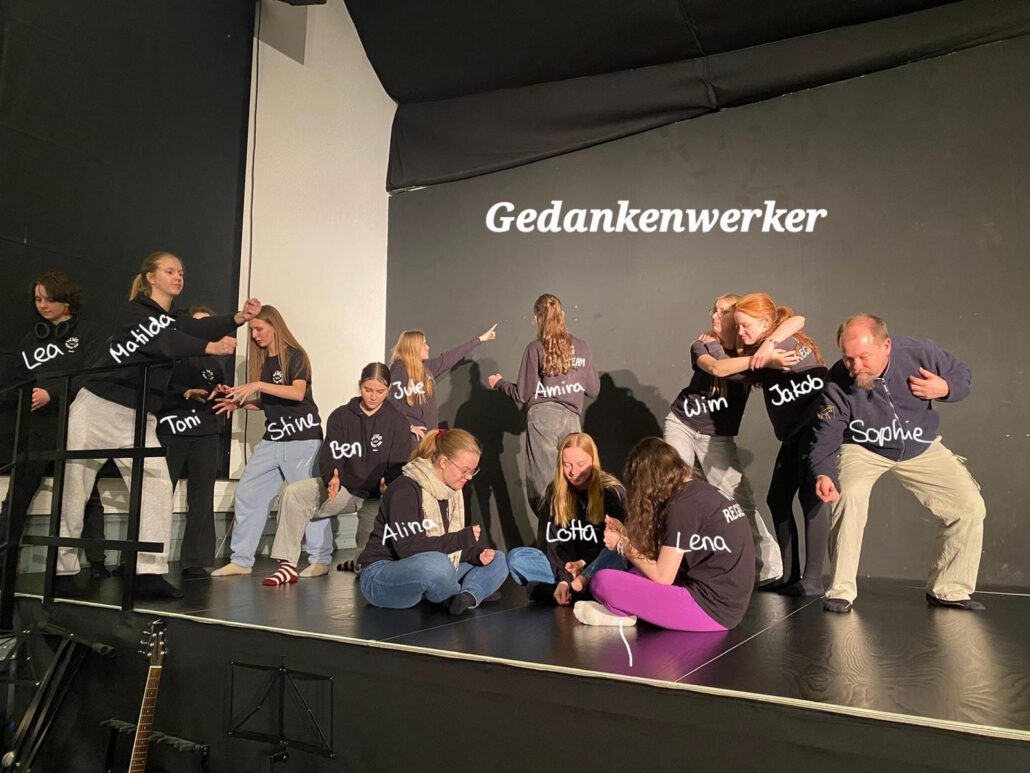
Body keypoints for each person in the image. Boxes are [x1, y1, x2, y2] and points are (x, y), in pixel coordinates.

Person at [59, 252, 255, 598]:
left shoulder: (173, 319)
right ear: (150, 277)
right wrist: (210, 346)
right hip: (99, 407)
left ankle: (148, 572)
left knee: (157, 487)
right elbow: (164, 342)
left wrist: (237, 318)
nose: (178, 276)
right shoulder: (134, 311)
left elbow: (195, 327)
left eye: (181, 272)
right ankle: (62, 570)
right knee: (76, 487)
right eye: (170, 271)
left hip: (139, 416)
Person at [810, 315, 986, 613]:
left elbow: (962, 375)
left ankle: (949, 590)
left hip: (920, 446)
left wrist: (945, 387)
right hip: (864, 449)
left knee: (969, 507)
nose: (855, 366)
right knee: (847, 496)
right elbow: (826, 433)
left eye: (864, 357)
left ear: (886, 345)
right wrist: (823, 473)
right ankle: (840, 591)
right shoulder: (837, 380)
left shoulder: (920, 353)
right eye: (848, 358)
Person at [664, 293, 806, 586]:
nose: (715, 316)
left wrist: (769, 345)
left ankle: (768, 568)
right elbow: (717, 368)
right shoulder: (703, 344)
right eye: (714, 310)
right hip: (682, 423)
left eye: (723, 312)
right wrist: (763, 360)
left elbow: (798, 320)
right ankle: (672, 565)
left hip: (717, 436)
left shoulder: (755, 347)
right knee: (674, 490)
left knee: (738, 500)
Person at [575, 437, 755, 631]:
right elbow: (672, 552)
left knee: (602, 582)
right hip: (725, 603)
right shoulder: (699, 491)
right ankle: (622, 611)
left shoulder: (682, 507)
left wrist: (622, 544)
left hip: (710, 609)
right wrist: (626, 534)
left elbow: (663, 576)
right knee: (636, 572)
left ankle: (621, 612)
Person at [261, 363, 411, 585]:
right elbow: (331, 453)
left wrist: (387, 485)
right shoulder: (341, 416)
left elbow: (399, 464)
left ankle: (358, 562)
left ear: (388, 390)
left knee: (367, 567)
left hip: (376, 498)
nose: (373, 396)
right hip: (344, 490)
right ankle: (287, 565)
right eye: (368, 390)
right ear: (360, 386)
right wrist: (332, 477)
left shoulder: (398, 421)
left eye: (380, 391)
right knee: (294, 493)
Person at [2, 272, 109, 577]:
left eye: (49, 299)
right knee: (18, 493)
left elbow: (94, 375)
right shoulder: (32, 338)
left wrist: (53, 393)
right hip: (38, 426)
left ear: (67, 301)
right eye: (38, 299)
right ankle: (5, 562)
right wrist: (29, 395)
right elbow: (18, 378)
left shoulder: (89, 333)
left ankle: (96, 561)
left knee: (84, 492)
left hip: (77, 420)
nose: (43, 305)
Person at [211, 305, 323, 577]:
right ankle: (241, 560)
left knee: (307, 497)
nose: (255, 335)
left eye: (259, 329)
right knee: (248, 493)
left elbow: (297, 393)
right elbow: (272, 400)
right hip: (274, 438)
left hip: (302, 437)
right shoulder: (265, 361)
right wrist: (242, 403)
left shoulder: (296, 355)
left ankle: (320, 558)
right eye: (252, 331)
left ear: (275, 326)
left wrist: (257, 386)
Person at [733, 293, 829, 596]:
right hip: (794, 434)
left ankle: (812, 580)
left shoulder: (783, 345)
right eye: (737, 326)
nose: (740, 332)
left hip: (816, 430)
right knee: (778, 498)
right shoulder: (769, 350)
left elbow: (797, 319)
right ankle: (790, 574)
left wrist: (770, 346)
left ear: (765, 323)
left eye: (745, 326)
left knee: (811, 499)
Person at [357, 429, 508, 615]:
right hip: (382, 574)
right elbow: (407, 548)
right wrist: (459, 540)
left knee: (498, 560)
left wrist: (474, 554)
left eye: (472, 471)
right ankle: (463, 590)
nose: (469, 477)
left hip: (432, 566)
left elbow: (444, 546)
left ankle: (465, 597)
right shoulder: (404, 489)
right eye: (465, 470)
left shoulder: (452, 492)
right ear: (443, 462)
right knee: (438, 565)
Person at [488, 294, 600, 510]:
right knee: (575, 480)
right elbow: (593, 390)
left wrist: (499, 383)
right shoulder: (581, 347)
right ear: (562, 315)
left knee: (545, 484)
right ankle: (573, 526)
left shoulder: (536, 348)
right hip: (572, 419)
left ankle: (551, 528)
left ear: (537, 318)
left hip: (543, 419)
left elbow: (522, 394)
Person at [506, 432, 626, 605]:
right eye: (567, 465)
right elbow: (553, 545)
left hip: (597, 566)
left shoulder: (612, 492)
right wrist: (564, 578)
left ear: (593, 461)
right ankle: (571, 591)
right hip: (564, 568)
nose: (573, 471)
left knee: (620, 554)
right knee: (517, 558)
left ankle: (556, 591)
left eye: (581, 464)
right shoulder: (553, 493)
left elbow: (616, 545)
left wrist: (583, 565)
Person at [155, 305, 227, 576]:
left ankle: (195, 560)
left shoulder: (214, 364)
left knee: (201, 498)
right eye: (198, 325)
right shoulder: (171, 357)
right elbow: (156, 393)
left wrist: (223, 394)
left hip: (205, 434)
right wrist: (184, 393)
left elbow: (218, 401)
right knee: (159, 495)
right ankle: (147, 559)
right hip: (172, 431)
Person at [388, 325, 497, 443]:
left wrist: (480, 339)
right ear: (414, 348)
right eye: (424, 344)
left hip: (429, 436)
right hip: (413, 438)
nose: (428, 347)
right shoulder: (399, 372)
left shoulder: (426, 368)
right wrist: (410, 426)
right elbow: (390, 402)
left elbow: (449, 358)